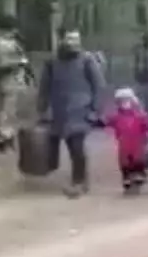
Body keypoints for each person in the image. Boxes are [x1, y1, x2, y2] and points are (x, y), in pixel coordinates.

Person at [37, 29, 105, 198]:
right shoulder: (52, 62)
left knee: (77, 146)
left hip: (81, 109)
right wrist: (42, 108)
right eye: (69, 38)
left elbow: (99, 86)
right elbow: (44, 87)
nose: (72, 42)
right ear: (62, 40)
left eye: (75, 39)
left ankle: (79, 182)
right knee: (68, 144)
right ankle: (81, 178)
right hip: (60, 110)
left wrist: (95, 110)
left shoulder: (87, 60)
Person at [105, 88, 148, 195]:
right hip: (124, 143)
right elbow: (106, 121)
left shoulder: (140, 115)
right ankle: (127, 179)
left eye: (127, 100)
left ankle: (139, 175)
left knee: (138, 160)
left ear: (133, 101)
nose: (124, 103)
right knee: (124, 162)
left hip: (137, 143)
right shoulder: (116, 116)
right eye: (121, 101)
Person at [0, 14, 30, 152]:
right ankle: (4, 138)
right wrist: (19, 63)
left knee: (10, 110)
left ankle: (8, 135)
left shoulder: (10, 42)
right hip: (7, 80)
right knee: (6, 111)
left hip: (13, 80)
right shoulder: (1, 44)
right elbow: (0, 64)